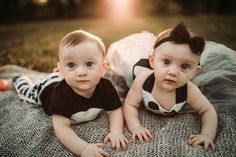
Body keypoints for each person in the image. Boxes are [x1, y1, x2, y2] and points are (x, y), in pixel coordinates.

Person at [0, 30, 128, 156]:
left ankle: (60, 71)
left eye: (89, 64)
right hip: (45, 88)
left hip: (62, 77)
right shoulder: (61, 95)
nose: (81, 72)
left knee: (65, 76)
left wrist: (116, 132)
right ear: (62, 70)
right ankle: (17, 81)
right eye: (71, 65)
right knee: (26, 93)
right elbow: (62, 128)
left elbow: (115, 110)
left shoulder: (106, 87)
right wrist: (83, 148)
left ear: (103, 68)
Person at [123, 23, 218, 151]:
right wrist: (136, 128)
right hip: (144, 76)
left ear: (194, 72)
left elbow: (207, 110)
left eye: (184, 66)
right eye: (166, 62)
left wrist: (207, 134)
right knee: (122, 81)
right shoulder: (143, 80)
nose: (173, 72)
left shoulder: (189, 90)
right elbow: (130, 104)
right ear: (152, 61)